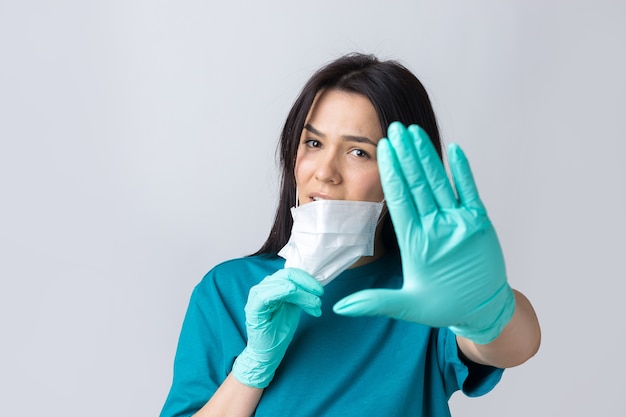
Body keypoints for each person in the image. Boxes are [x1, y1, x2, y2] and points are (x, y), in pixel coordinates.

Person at [160, 53, 541, 417]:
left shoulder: (422, 294)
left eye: (358, 152)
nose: (324, 172)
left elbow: (517, 345)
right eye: (313, 143)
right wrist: (251, 368)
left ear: (400, 177)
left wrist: (485, 311)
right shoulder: (227, 291)